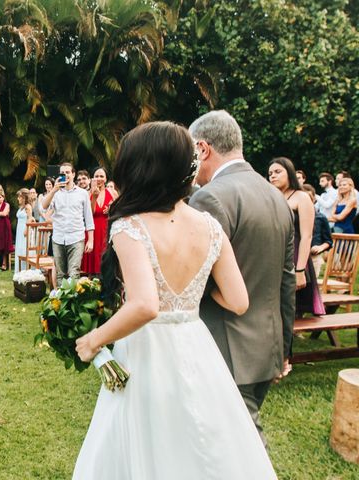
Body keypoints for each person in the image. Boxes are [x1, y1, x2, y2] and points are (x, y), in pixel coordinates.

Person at [73, 121, 275, 479]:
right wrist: (191, 289)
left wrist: (93, 340)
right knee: (202, 440)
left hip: (147, 350)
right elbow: (238, 300)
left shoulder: (130, 227)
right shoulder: (210, 226)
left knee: (147, 439)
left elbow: (145, 305)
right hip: (196, 343)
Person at [188, 110, 295, 446]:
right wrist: (284, 347)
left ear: (203, 149)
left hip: (227, 347)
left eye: (192, 153)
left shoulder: (210, 197)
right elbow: (286, 281)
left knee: (243, 445)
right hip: (267, 345)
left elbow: (196, 281)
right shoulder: (277, 197)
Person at [268, 158, 325, 317]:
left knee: (291, 306)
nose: (273, 176)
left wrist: (300, 270)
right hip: (274, 255)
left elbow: (307, 236)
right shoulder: (273, 197)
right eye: (270, 173)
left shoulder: (301, 197)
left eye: (278, 172)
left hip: (296, 254)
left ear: (290, 173)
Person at [41, 163, 94, 284]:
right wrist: (54, 189)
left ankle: (71, 301)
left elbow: (88, 217)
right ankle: (60, 301)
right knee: (61, 274)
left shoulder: (82, 193)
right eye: (62, 173)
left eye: (67, 172)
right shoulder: (55, 193)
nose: (65, 175)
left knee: (74, 272)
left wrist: (90, 240)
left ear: (73, 174)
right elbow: (44, 207)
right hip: (58, 238)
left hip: (77, 237)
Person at [81, 167, 115, 276]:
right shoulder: (87, 194)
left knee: (105, 257)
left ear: (106, 179)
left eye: (101, 176)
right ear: (92, 179)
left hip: (105, 229)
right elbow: (90, 213)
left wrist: (111, 209)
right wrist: (94, 198)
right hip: (92, 230)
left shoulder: (112, 192)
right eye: (96, 176)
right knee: (92, 261)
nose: (99, 178)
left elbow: (119, 209)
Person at [303, 184, 332, 276]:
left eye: (309, 198)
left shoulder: (321, 217)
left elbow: (328, 241)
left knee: (311, 285)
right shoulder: (292, 217)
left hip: (313, 257)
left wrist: (320, 247)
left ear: (314, 200)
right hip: (295, 255)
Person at [14, 188, 34, 273]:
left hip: (25, 229)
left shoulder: (28, 207)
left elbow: (30, 218)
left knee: (24, 249)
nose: (18, 198)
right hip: (19, 229)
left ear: (24, 197)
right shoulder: (21, 207)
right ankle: (19, 270)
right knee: (20, 248)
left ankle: (26, 271)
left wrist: (26, 229)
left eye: (20, 197)